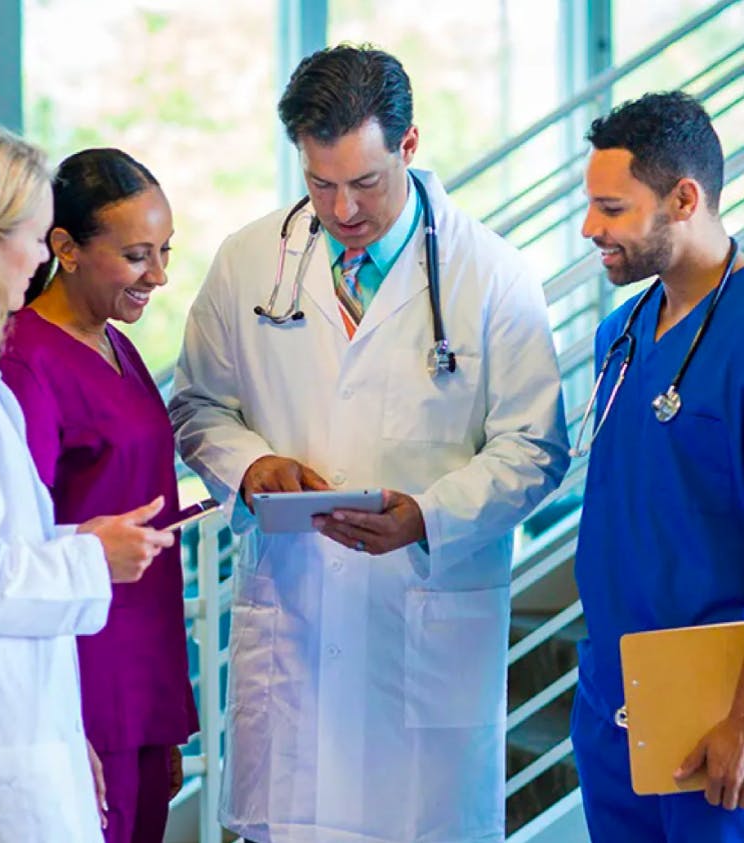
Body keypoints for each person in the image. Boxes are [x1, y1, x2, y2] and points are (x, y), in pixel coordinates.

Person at [170, 44, 569, 843]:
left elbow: (534, 447)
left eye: (365, 182)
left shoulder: (490, 274)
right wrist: (251, 467)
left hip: (422, 639)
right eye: (320, 184)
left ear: (410, 146)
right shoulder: (251, 262)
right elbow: (196, 404)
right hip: (294, 631)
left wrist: (427, 514)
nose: (343, 209)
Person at [0, 124, 174, 843]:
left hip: (3, 725)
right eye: (30, 235)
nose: (36, 257)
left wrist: (78, 539)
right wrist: (90, 558)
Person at [0, 148, 199, 843]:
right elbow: (14, 552)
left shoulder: (116, 340)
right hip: (78, 687)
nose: (161, 275)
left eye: (166, 250)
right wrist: (54, 725)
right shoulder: (25, 361)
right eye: (139, 255)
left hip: (143, 679)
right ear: (65, 248)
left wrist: (163, 718)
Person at [571, 90, 744, 842]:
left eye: (612, 209)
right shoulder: (622, 330)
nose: (590, 229)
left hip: (713, 712)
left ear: (684, 198)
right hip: (612, 694)